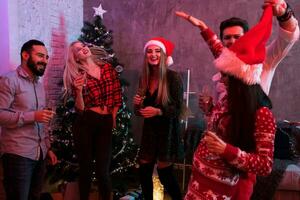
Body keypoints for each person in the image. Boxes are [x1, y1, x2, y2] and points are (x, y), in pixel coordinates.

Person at [176, 0, 299, 199]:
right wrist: (203, 28)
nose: (232, 43)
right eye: (227, 38)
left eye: (237, 37)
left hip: (237, 172)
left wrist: (284, 14)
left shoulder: (261, 62)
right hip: (205, 180)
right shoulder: (229, 73)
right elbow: (221, 123)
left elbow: (288, 38)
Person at [63, 41, 122, 200]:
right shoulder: (77, 75)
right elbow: (80, 109)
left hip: (106, 121)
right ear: (75, 57)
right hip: (86, 123)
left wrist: (113, 117)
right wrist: (79, 91)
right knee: (86, 170)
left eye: (83, 46)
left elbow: (117, 96)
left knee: (103, 171)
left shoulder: (107, 68)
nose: (82, 49)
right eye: (77, 50)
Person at [0, 39, 58, 200]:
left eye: (46, 57)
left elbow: (43, 119)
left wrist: (48, 147)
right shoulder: (9, 80)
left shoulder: (39, 85)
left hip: (39, 154)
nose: (45, 61)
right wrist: (33, 116)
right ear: (25, 55)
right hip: (17, 154)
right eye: (40, 56)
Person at [133, 37, 183, 200]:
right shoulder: (144, 78)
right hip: (150, 132)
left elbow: (178, 109)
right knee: (144, 172)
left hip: (166, 132)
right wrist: (137, 105)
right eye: (149, 51)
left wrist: (158, 111)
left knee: (165, 174)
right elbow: (138, 113)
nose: (153, 55)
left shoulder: (173, 77)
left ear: (163, 55)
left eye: (157, 51)